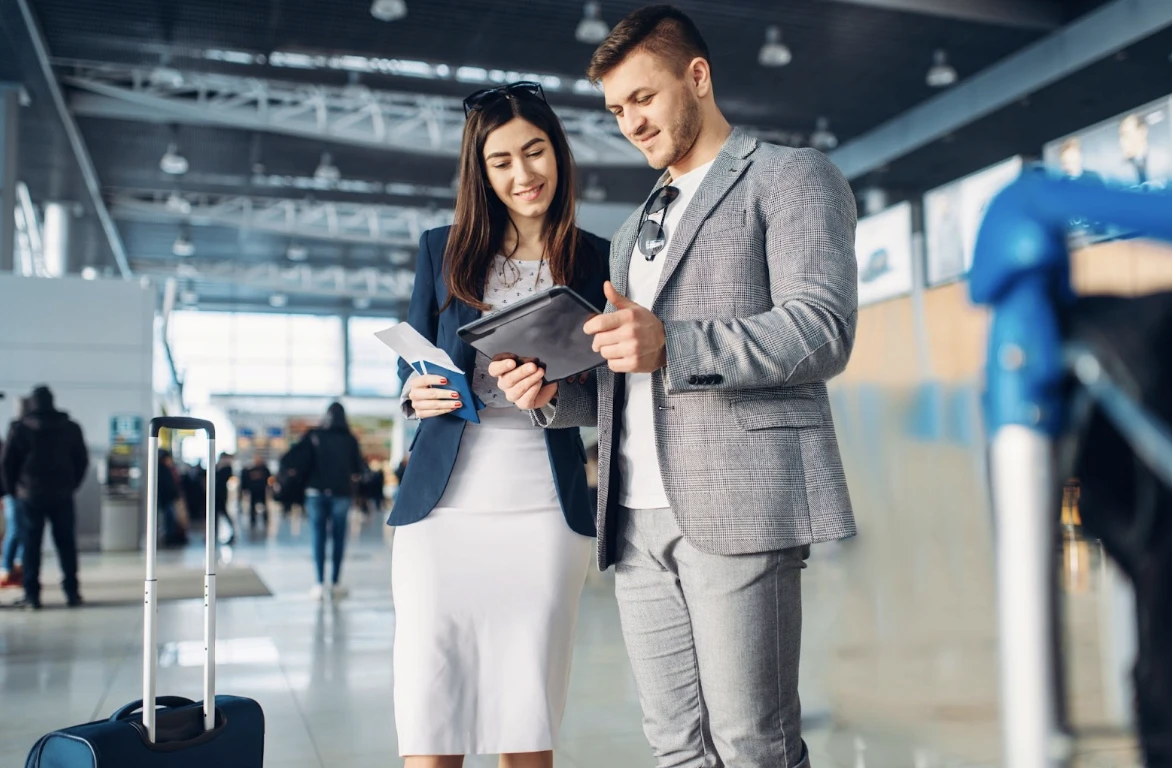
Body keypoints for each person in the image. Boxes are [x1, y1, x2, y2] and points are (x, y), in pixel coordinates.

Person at [491, 7, 859, 767]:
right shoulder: (632, 232)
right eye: (617, 109)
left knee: (752, 743)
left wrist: (674, 342)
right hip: (634, 519)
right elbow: (629, 379)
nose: (630, 122)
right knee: (675, 746)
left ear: (697, 77)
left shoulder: (790, 177)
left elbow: (823, 328)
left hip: (740, 505)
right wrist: (551, 396)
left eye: (643, 99)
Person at [390, 80, 608, 767]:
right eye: (502, 161)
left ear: (559, 154)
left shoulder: (600, 258)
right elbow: (416, 361)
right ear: (480, 172)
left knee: (525, 715)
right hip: (442, 507)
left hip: (543, 503)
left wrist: (551, 393)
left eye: (535, 152)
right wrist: (413, 394)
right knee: (432, 713)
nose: (523, 174)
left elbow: (619, 389)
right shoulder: (443, 249)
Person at [0, 386, 90, 609]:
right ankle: (72, 592)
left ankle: (32, 595)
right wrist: (71, 485)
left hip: (29, 496)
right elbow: (82, 460)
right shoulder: (70, 428)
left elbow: (7, 463)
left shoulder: (20, 428)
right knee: (66, 544)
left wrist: (14, 490)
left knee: (31, 546)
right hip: (62, 494)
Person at [295, 402, 364, 600]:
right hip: (341, 493)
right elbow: (358, 468)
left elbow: (297, 459)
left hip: (315, 492)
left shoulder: (315, 435)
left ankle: (318, 583)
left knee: (318, 536)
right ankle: (335, 582)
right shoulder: (349, 439)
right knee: (339, 537)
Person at [1, 397, 30, 588]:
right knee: (16, 529)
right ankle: (7, 568)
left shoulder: (20, 432)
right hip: (14, 492)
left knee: (20, 529)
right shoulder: (17, 432)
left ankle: (16, 568)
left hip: (19, 491)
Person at [157, 449, 188, 548]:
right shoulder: (163, 469)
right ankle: (169, 538)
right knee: (169, 518)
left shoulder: (166, 469)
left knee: (170, 518)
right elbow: (168, 485)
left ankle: (170, 537)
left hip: (168, 498)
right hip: (167, 498)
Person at [243, 454, 272, 531]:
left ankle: (265, 520)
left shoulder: (265, 469)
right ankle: (253, 521)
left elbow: (269, 479)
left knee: (264, 506)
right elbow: (246, 480)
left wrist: (269, 487)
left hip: (262, 490)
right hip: (253, 490)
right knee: (252, 507)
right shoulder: (250, 469)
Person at [213, 453, 236, 545]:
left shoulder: (227, 468)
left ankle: (232, 533)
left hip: (221, 495)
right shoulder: (217, 467)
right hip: (215, 494)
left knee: (224, 514)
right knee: (215, 516)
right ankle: (213, 534)